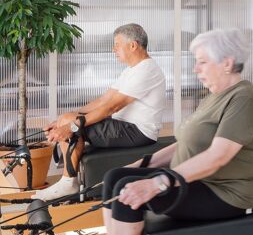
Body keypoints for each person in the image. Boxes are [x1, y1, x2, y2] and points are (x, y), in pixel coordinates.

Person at [70, 28, 253, 235]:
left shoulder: (243, 99)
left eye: (202, 61)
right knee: (116, 176)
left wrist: (158, 182)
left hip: (224, 193)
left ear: (227, 62)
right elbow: (185, 144)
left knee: (128, 190)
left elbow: (217, 156)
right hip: (196, 181)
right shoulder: (216, 95)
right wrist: (144, 164)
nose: (196, 69)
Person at [36, 24, 166, 201]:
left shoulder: (147, 70)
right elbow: (104, 100)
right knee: (66, 118)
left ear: (133, 45)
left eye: (117, 44)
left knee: (69, 121)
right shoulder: (132, 70)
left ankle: (68, 183)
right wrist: (66, 119)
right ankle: (68, 181)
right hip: (125, 127)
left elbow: (111, 108)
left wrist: (72, 125)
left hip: (138, 132)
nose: (113, 49)